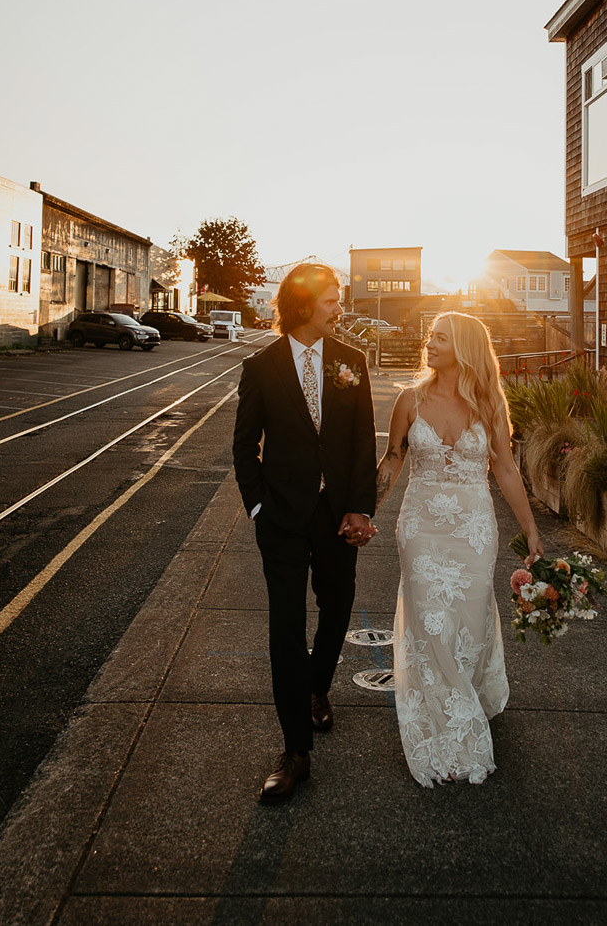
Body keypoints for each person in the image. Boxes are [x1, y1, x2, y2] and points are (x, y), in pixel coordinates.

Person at [376, 312, 543, 787]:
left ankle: (466, 692)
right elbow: (392, 460)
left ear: (464, 347)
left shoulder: (490, 404)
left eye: (440, 338)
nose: (428, 344)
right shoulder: (410, 400)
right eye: (430, 336)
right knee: (430, 618)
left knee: (468, 618)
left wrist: (530, 529)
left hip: (473, 528)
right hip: (420, 527)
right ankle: (448, 720)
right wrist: (365, 512)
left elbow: (507, 470)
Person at [233, 263, 377, 803]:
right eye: (332, 300)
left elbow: (363, 439)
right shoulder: (261, 366)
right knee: (286, 630)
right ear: (303, 304)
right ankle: (295, 752)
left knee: (338, 608)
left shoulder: (351, 362)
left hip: (338, 516)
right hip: (282, 519)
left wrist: (360, 508)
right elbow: (244, 446)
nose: (340, 307)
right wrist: (257, 509)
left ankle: (317, 687)